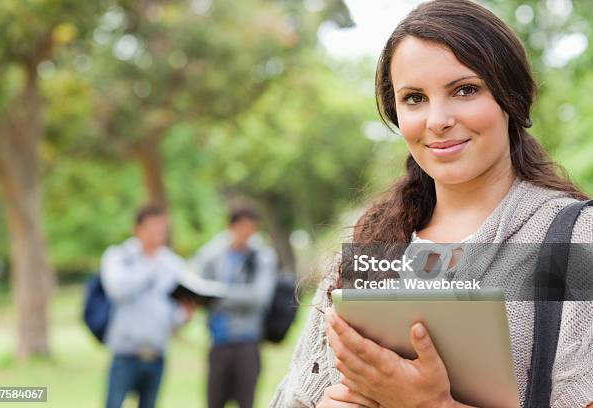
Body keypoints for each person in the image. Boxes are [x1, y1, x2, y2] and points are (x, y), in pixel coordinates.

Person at [270, 0, 593, 407]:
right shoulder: (373, 245)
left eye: (465, 90)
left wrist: (430, 404)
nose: (437, 119)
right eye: (414, 98)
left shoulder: (577, 239)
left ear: (510, 98)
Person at [101, 205, 196, 408]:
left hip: (157, 353)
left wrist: (185, 315)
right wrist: (151, 266)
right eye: (152, 229)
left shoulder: (173, 263)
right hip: (126, 352)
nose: (158, 235)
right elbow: (117, 289)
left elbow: (173, 312)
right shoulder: (120, 256)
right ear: (137, 230)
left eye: (162, 230)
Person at [195, 208, 278, 408]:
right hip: (219, 342)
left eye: (251, 229)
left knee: (246, 402)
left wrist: (219, 295)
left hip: (248, 344)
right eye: (242, 228)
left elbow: (259, 297)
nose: (247, 234)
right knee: (214, 401)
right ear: (231, 227)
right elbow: (198, 285)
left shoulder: (261, 256)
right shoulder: (214, 255)